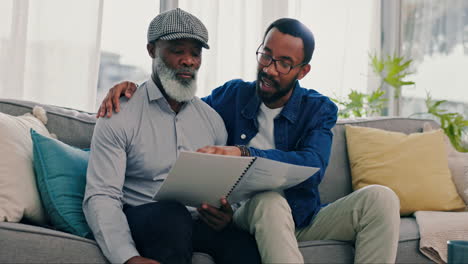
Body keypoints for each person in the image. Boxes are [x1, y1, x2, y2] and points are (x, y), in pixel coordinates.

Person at [99, 17, 401, 263]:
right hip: (252, 213)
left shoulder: (318, 109)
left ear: (303, 71)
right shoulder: (231, 97)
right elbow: (175, 103)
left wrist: (243, 152)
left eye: (284, 63)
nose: (269, 68)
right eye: (266, 55)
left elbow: (314, 165)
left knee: (381, 198)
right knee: (268, 202)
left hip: (300, 217)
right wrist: (133, 88)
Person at [83, 8, 261, 264]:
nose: (189, 60)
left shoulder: (212, 120)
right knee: (171, 216)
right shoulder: (119, 114)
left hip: (195, 221)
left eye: (196, 53)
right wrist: (127, 258)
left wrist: (226, 213)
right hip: (144, 219)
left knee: (244, 244)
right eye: (178, 51)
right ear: (152, 50)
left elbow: (225, 192)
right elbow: (101, 195)